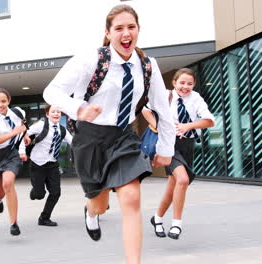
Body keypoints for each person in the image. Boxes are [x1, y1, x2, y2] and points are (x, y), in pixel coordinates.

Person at [43, 4, 175, 264]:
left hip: (123, 136)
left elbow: (163, 109)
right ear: (108, 32)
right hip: (89, 139)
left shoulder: (148, 66)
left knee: (131, 197)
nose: (126, 33)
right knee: (100, 203)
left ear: (138, 30)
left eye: (131, 27)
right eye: (119, 28)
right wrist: (78, 108)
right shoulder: (91, 59)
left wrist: (166, 149)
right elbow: (52, 92)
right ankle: (91, 212)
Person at [144, 68, 215, 240]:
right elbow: (145, 110)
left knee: (173, 186)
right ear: (174, 83)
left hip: (187, 144)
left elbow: (210, 121)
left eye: (189, 83)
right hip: (169, 143)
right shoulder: (165, 95)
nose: (185, 86)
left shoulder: (195, 98)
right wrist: (159, 127)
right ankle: (176, 224)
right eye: (182, 82)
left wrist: (187, 126)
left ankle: (157, 218)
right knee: (183, 180)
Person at [0, 88, 30, 236]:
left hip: (11, 153)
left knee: (8, 183)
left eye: (3, 101)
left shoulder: (17, 112)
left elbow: (21, 124)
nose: (0, 104)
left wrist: (25, 135)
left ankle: (13, 223)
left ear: (9, 101)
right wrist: (14, 132)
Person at [26, 104, 72, 227]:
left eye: (58, 112)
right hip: (37, 164)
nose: (56, 114)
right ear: (47, 114)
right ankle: (35, 191)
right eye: (53, 111)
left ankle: (44, 218)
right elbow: (25, 133)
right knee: (39, 194)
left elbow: (73, 142)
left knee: (56, 192)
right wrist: (22, 146)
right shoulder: (41, 125)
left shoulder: (62, 130)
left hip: (52, 165)